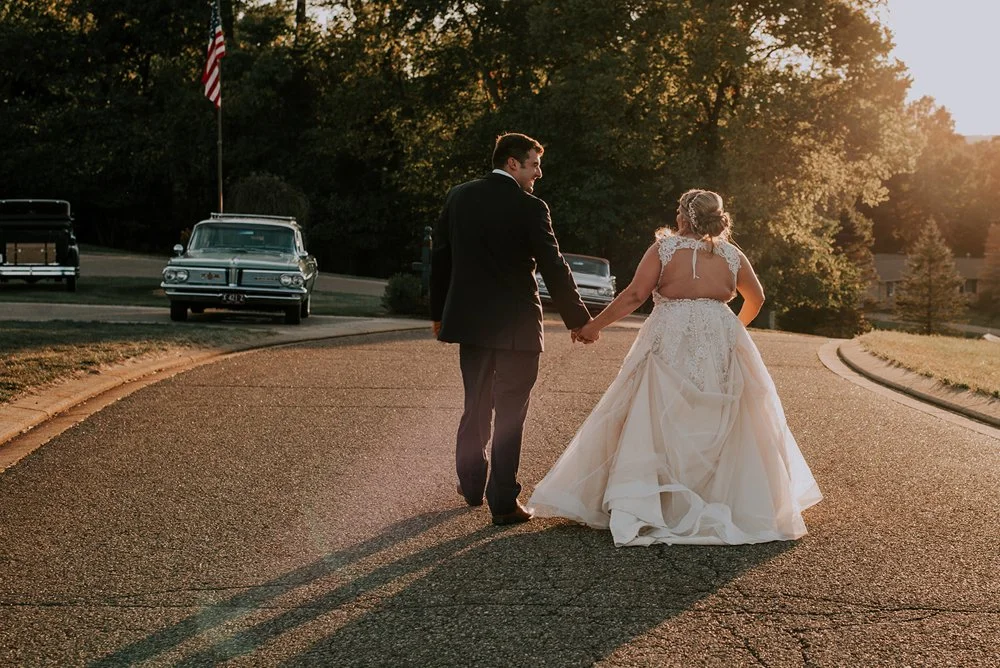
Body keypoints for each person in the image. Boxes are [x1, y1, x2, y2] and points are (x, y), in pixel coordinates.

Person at [528, 189, 822, 546]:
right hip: (720, 334)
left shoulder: (664, 250)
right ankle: (729, 499)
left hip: (671, 334)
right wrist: (732, 329)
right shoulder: (732, 254)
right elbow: (756, 297)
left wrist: (593, 326)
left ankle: (654, 501)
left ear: (684, 216)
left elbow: (635, 296)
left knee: (657, 412)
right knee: (728, 413)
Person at [431, 132, 594, 526]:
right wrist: (580, 321)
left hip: (470, 322)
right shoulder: (531, 207)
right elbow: (554, 266)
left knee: (476, 405)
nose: (539, 172)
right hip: (518, 327)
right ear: (512, 164)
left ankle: (471, 485)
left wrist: (439, 313)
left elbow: (440, 258)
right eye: (534, 164)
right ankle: (502, 502)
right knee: (509, 414)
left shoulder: (459, 196)